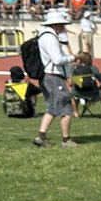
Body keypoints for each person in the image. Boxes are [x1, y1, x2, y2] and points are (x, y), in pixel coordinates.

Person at [33, 8, 78, 147]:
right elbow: (57, 59)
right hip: (53, 76)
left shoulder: (44, 35)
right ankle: (66, 139)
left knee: (52, 107)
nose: (63, 27)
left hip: (49, 75)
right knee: (66, 106)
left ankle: (41, 136)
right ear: (56, 24)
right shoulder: (50, 37)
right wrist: (73, 57)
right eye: (61, 24)